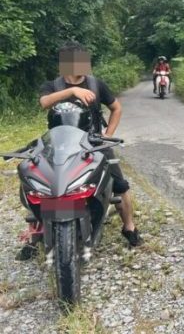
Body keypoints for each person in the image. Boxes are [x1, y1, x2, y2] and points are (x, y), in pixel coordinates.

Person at [36, 42, 143, 251]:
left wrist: (108, 135)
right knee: (43, 183)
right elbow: (44, 102)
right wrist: (73, 91)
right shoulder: (53, 86)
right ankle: (37, 229)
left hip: (93, 143)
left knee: (120, 185)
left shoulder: (96, 84)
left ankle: (129, 226)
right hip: (60, 143)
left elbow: (116, 108)